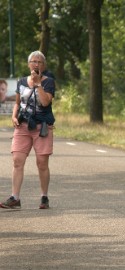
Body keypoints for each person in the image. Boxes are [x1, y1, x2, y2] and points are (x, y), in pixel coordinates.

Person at [0, 50, 56, 210]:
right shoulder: (22, 82)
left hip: (42, 126)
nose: (36, 64)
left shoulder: (49, 82)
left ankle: (44, 197)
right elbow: (18, 103)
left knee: (42, 163)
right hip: (23, 126)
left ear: (44, 66)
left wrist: (38, 84)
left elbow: (45, 103)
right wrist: (13, 116)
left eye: (39, 62)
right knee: (17, 160)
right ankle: (15, 197)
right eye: (34, 61)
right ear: (28, 64)